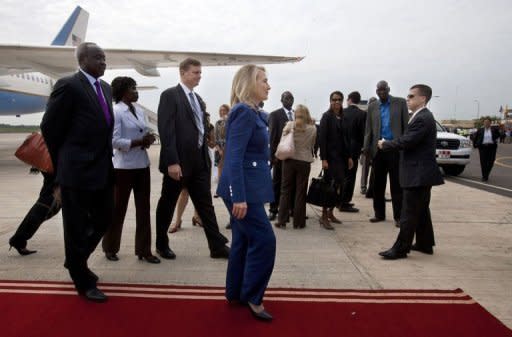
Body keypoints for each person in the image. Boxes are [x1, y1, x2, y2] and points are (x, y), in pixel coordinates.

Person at [40, 42, 113, 302]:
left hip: (103, 169)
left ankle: (75, 260)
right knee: (76, 226)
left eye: (105, 58)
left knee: (105, 218)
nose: (104, 62)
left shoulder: (105, 88)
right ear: (82, 60)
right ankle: (83, 281)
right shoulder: (68, 85)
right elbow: (49, 127)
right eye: (98, 58)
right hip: (76, 170)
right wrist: (64, 163)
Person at [216, 64, 275, 321]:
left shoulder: (254, 112)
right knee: (264, 240)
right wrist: (238, 196)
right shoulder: (243, 112)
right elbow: (234, 158)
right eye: (263, 80)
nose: (268, 85)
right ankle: (253, 296)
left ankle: (236, 292)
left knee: (243, 240)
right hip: (242, 191)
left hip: (249, 188)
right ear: (249, 83)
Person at [156, 57, 229, 260]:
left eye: (200, 72)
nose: (199, 76)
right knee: (167, 204)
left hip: (199, 162)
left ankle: (217, 246)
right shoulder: (170, 95)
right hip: (178, 163)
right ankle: (161, 243)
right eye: (195, 72)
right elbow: (166, 130)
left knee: (206, 205)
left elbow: (201, 126)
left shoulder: (197, 99)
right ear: (183, 73)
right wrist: (172, 161)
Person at [377, 84, 444, 259]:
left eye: (411, 96)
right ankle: (425, 243)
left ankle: (400, 249)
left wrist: (385, 144)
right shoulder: (419, 116)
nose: (408, 99)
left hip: (418, 173)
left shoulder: (422, 118)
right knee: (421, 210)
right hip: (421, 173)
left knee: (408, 213)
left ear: (423, 99)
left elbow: (407, 141)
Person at [101, 76, 160, 264]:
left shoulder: (139, 111)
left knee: (144, 209)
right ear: (122, 92)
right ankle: (110, 247)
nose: (136, 91)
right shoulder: (116, 111)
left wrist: (147, 139)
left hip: (142, 165)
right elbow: (113, 141)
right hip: (123, 168)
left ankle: (144, 250)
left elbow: (141, 132)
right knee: (118, 209)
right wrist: (138, 142)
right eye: (132, 88)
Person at [363, 81, 408, 227]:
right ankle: (379, 214)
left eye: (384, 89)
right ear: (376, 91)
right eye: (379, 90)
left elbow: (405, 127)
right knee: (378, 185)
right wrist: (366, 149)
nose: (381, 92)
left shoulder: (400, 103)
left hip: (395, 149)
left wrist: (404, 146)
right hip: (378, 151)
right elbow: (368, 130)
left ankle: (399, 217)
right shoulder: (372, 107)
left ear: (388, 89)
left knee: (397, 185)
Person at [274, 104, 316, 229]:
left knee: (285, 190)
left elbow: (283, 141)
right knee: (300, 192)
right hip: (304, 162)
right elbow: (312, 145)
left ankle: (281, 220)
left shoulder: (289, 125)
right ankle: (299, 222)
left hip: (289, 160)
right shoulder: (312, 128)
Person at [318, 91, 353, 230]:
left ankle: (331, 213)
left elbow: (347, 139)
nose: (336, 102)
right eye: (334, 99)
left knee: (339, 187)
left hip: (342, 159)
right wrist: (324, 159)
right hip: (331, 159)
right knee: (329, 188)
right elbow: (322, 139)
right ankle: (324, 216)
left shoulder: (344, 117)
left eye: (339, 100)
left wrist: (349, 157)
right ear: (330, 101)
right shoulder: (326, 117)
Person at [9, 170, 61, 255]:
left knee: (49, 202)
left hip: (58, 167)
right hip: (59, 167)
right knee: (48, 204)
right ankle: (18, 239)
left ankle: (19, 239)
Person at [268, 91, 295, 221]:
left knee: (292, 183)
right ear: (281, 100)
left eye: (291, 98)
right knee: (277, 183)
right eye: (286, 98)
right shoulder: (275, 115)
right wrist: (273, 156)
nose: (289, 100)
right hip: (280, 155)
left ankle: (291, 208)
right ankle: (273, 209)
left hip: (295, 156)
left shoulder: (297, 115)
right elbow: (272, 137)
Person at [339, 91, 365, 212]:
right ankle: (345, 202)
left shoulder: (341, 112)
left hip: (341, 149)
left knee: (341, 176)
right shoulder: (362, 114)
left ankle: (339, 201)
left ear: (349, 100)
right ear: (358, 101)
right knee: (350, 176)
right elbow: (363, 133)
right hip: (354, 149)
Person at [214, 104, 230, 188]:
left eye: (224, 110)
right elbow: (215, 138)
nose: (222, 112)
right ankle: (220, 188)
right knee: (220, 168)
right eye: (221, 110)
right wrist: (219, 150)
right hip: (219, 148)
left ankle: (228, 187)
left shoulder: (231, 122)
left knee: (228, 168)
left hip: (229, 148)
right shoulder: (217, 123)